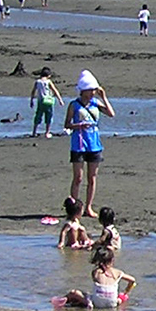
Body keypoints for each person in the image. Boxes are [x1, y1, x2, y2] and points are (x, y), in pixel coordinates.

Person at [66, 71, 113, 211]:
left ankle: (88, 207)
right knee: (78, 178)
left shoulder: (95, 103)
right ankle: (74, 207)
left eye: (94, 90)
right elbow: (67, 124)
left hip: (94, 144)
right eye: (91, 90)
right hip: (78, 144)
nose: (93, 92)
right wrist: (78, 125)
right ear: (83, 90)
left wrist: (104, 97)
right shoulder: (74, 105)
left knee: (92, 178)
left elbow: (111, 113)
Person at [63, 246, 134, 309]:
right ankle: (120, 300)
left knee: (74, 292)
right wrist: (126, 291)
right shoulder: (117, 272)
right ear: (112, 260)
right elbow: (132, 280)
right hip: (113, 303)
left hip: (96, 303)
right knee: (116, 297)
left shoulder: (96, 272)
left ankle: (64, 300)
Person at [29, 67, 61, 137]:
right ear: (48, 75)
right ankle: (47, 132)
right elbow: (55, 90)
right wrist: (60, 100)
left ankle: (34, 132)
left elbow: (33, 91)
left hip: (40, 101)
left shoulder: (38, 82)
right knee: (49, 116)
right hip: (48, 101)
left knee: (38, 116)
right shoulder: (48, 82)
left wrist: (31, 101)